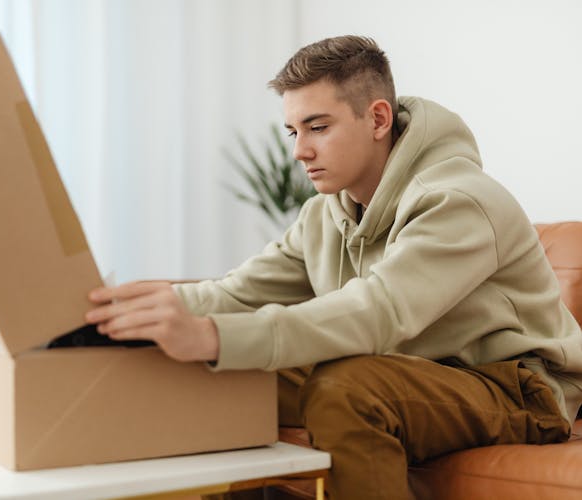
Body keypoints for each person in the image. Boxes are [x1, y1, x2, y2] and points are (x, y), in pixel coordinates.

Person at [85, 35, 582, 499]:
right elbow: (237, 293)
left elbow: (377, 311)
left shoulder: (459, 201)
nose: (300, 150)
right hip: (408, 372)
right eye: (294, 130)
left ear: (378, 119)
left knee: (344, 388)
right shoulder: (327, 212)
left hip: (516, 388)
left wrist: (214, 337)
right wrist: (124, 318)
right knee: (214, 376)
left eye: (318, 127)